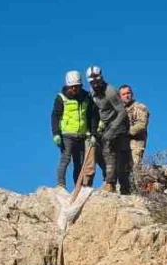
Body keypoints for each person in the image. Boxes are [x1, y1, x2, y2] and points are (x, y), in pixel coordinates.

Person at [86, 66, 132, 194]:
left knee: (109, 150)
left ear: (101, 79)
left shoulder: (110, 91)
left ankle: (110, 184)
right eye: (92, 82)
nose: (95, 84)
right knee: (99, 153)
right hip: (105, 125)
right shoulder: (92, 92)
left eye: (97, 81)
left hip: (118, 124)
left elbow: (122, 112)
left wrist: (112, 129)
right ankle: (109, 177)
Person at [50, 70, 97, 188]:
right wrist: (56, 134)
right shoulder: (61, 98)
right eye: (72, 87)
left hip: (82, 135)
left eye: (77, 87)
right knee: (65, 160)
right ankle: (61, 185)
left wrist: (93, 133)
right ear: (68, 86)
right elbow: (55, 116)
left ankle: (79, 186)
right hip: (66, 135)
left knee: (80, 163)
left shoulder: (87, 97)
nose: (75, 89)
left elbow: (92, 116)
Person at [118, 84, 150, 166]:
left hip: (135, 143)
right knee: (121, 170)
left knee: (134, 168)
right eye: (124, 94)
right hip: (122, 144)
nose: (127, 96)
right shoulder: (119, 109)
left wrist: (125, 131)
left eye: (128, 93)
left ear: (132, 94)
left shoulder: (139, 107)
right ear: (120, 96)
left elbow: (142, 125)